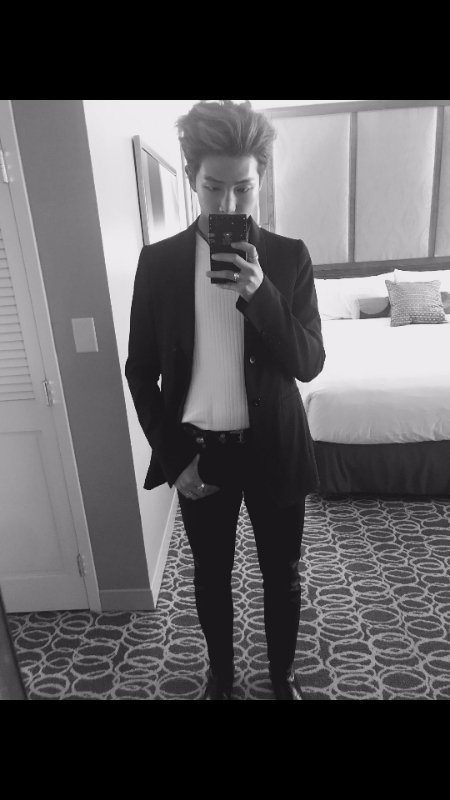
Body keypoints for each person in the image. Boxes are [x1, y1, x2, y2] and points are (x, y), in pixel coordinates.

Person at [125, 100, 326, 700]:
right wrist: (174, 458)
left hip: (274, 448)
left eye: (244, 188)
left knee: (282, 576)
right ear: (192, 179)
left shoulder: (288, 256)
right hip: (199, 453)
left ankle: (282, 675)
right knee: (210, 578)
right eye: (214, 187)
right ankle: (221, 675)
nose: (228, 205)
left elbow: (309, 363)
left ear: (261, 180)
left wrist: (262, 296)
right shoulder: (158, 264)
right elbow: (140, 371)